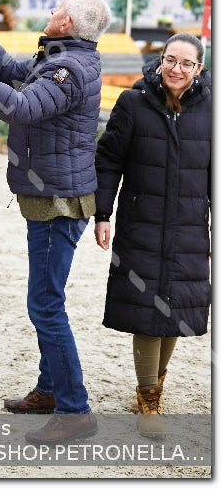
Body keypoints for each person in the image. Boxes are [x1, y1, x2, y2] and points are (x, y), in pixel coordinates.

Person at [0, 0, 112, 446]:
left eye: (57, 7)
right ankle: (48, 389)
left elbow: (19, 106)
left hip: (57, 202)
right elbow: (14, 73)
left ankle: (75, 410)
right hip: (55, 196)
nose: (51, 9)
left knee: (45, 304)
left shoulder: (66, 69)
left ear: (66, 25)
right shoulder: (65, 55)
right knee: (47, 299)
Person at [94, 33, 211, 439]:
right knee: (147, 308)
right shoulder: (133, 102)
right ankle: (148, 399)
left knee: (176, 310)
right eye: (170, 60)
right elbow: (108, 160)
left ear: (198, 69)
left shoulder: (212, 108)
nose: (176, 69)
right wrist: (102, 213)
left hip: (191, 226)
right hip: (141, 223)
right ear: (159, 60)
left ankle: (154, 385)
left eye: (186, 63)